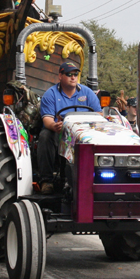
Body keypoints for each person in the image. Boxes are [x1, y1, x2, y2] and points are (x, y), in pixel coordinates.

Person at [38, 62, 101, 195]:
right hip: (60, 132)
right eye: (69, 74)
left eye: (75, 74)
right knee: (45, 135)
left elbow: (99, 115)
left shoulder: (88, 93)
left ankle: (96, 178)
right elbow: (47, 119)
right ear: (60, 76)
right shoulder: (51, 94)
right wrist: (54, 126)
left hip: (84, 132)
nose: (73, 77)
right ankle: (46, 180)